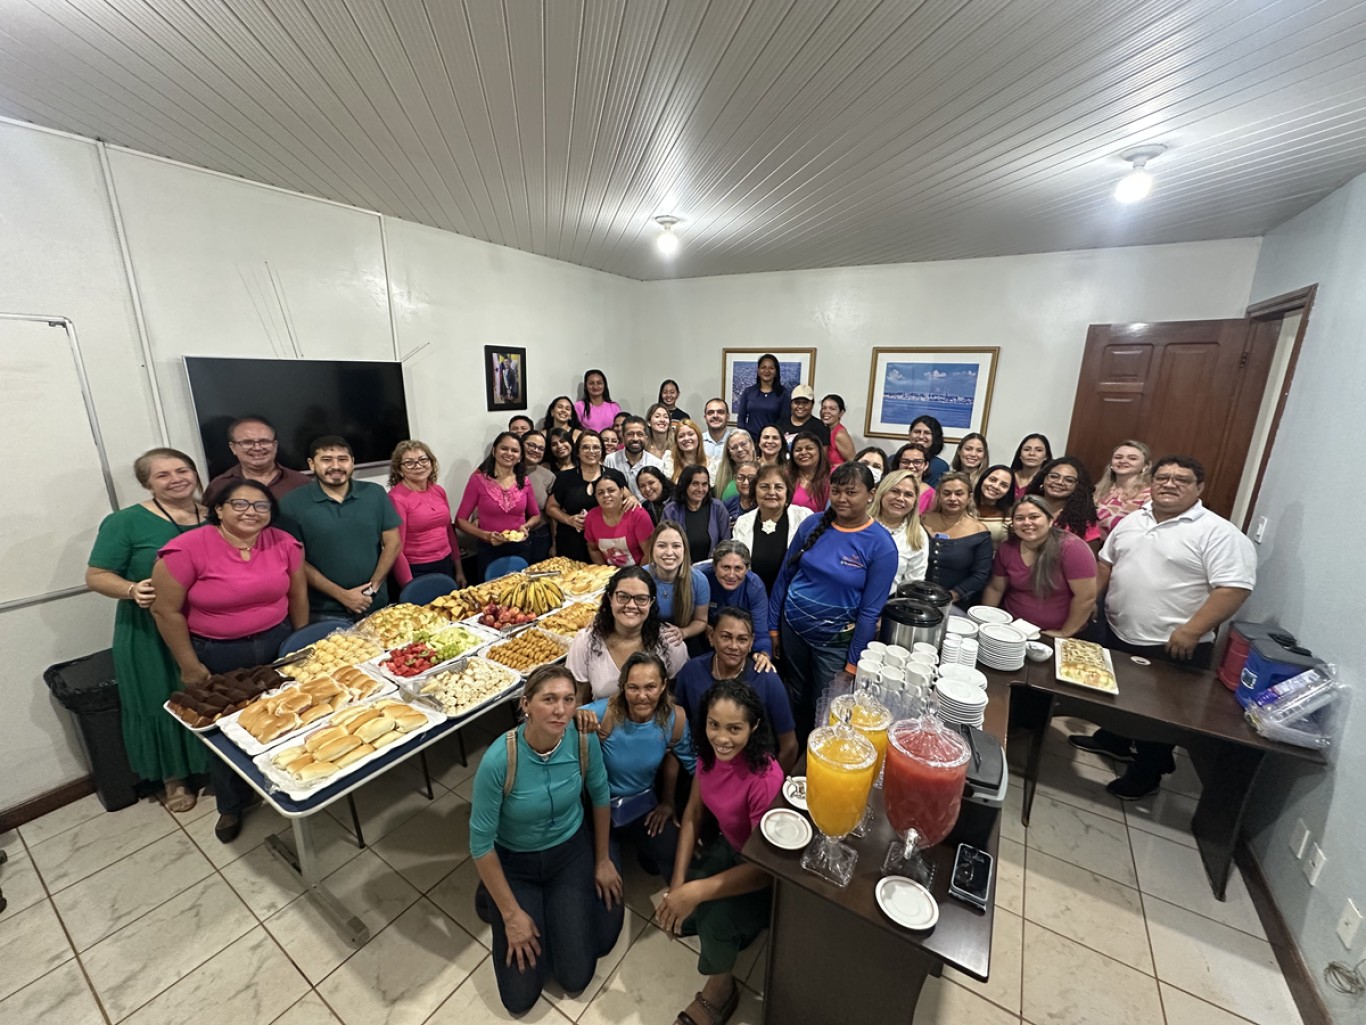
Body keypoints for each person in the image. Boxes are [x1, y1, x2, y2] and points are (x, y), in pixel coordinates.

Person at [1070, 456, 1257, 800]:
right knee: (1114, 693)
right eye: (1163, 477)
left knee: (1161, 714)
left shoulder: (1218, 533)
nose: (1170, 484)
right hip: (1119, 628)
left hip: (1172, 641)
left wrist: (1191, 630)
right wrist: (1088, 606)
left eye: (1182, 479)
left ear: (1199, 488)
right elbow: (1105, 566)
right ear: (1151, 483)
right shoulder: (1131, 521)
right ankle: (1113, 740)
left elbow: (1234, 588)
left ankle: (1148, 773)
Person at [150, 480, 308, 842]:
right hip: (218, 652)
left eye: (261, 506)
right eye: (240, 504)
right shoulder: (186, 548)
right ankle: (231, 806)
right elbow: (165, 611)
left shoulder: (285, 543)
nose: (251, 512)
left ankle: (290, 783)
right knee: (227, 732)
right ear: (218, 509)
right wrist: (189, 665)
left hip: (277, 645)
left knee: (288, 717)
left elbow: (298, 595)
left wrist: (299, 643)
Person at [469, 665, 623, 1016]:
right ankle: (497, 898)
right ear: (525, 705)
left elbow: (600, 796)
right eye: (549, 699)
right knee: (519, 997)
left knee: (576, 976)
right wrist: (511, 915)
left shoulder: (583, 741)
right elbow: (480, 844)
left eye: (569, 700)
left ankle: (556, 914)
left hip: (569, 854)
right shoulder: (499, 760)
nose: (560, 710)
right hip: (516, 863)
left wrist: (602, 859)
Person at [87, 448, 211, 814]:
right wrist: (130, 589)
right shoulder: (125, 522)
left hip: (204, 622)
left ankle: (211, 764)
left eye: (182, 470)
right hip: (149, 628)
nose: (176, 479)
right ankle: (172, 778)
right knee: (163, 697)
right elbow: (96, 576)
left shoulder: (214, 515)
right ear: (147, 483)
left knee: (207, 693)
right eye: (163, 475)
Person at [656, 680, 783, 1025]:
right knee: (685, 892)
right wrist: (680, 884)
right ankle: (732, 927)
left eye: (734, 728)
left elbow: (767, 868)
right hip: (731, 847)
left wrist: (695, 891)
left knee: (712, 915)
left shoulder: (764, 777)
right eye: (714, 725)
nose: (722, 738)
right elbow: (694, 814)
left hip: (764, 870)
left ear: (753, 727)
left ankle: (721, 990)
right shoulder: (709, 755)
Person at [769, 463, 897, 742]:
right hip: (793, 630)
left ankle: (813, 755)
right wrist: (773, 629)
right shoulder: (812, 524)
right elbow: (784, 577)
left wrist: (852, 666)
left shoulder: (881, 545)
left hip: (835, 644)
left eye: (851, 492)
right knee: (794, 692)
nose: (842, 499)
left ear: (871, 494)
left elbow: (869, 613)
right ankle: (791, 746)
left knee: (825, 707)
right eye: (837, 491)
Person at [576, 652, 694, 882]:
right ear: (622, 688)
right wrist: (576, 718)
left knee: (679, 855)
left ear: (663, 686)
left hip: (644, 807)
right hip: (599, 812)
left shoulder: (675, 720)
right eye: (633, 688)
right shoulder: (603, 713)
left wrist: (672, 804)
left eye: (650, 687)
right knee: (607, 891)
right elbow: (560, 717)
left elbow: (695, 766)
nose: (642, 696)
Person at [279, 436, 402, 620]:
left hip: (376, 604)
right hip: (326, 612)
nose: (336, 466)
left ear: (352, 462)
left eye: (342, 459)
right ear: (312, 464)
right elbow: (295, 561)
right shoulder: (291, 503)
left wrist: (372, 589)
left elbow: (393, 542)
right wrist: (343, 596)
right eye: (326, 460)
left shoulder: (374, 493)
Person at [674, 609, 797, 770]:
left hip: (753, 773)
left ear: (751, 642)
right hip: (703, 768)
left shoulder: (768, 680)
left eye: (742, 639)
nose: (733, 646)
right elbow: (678, 721)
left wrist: (772, 787)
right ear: (711, 636)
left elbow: (789, 745)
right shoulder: (691, 671)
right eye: (726, 637)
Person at [565, 567, 688, 701]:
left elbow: (676, 696)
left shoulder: (670, 642)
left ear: (651, 602)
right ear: (610, 598)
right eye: (623, 597)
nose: (631, 605)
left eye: (640, 599)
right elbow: (578, 700)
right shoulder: (586, 641)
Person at [982, 495, 1097, 636]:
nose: (1027, 522)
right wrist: (984, 622)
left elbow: (1086, 597)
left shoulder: (1072, 548)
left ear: (1050, 520)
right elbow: (995, 588)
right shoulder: (1007, 548)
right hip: (1012, 628)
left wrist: (1065, 632)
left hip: (1054, 633)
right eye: (1019, 518)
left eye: (1034, 517)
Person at [454, 432, 542, 581]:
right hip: (489, 549)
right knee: (490, 597)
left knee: (520, 594)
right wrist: (485, 535)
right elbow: (460, 520)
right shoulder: (478, 480)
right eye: (504, 448)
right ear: (494, 451)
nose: (509, 453)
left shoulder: (524, 481)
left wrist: (526, 526)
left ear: (520, 456)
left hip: (520, 548)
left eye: (514, 451)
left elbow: (536, 515)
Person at [387, 440, 465, 589]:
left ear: (431, 462)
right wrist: (409, 587)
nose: (418, 466)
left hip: (446, 563)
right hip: (418, 569)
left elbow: (449, 531)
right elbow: (397, 549)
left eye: (423, 460)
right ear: (399, 469)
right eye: (409, 463)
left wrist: (459, 570)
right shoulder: (396, 498)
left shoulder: (438, 491)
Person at [733, 465, 813, 592]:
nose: (771, 492)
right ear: (754, 490)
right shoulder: (743, 522)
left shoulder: (804, 517)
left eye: (778, 487)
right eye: (764, 487)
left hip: (792, 595)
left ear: (787, 491)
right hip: (753, 596)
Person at [921, 472, 994, 609]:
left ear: (969, 497)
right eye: (947, 493)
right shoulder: (923, 520)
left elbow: (981, 574)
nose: (952, 498)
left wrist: (952, 596)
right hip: (916, 596)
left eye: (959, 493)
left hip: (955, 604)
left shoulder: (979, 531)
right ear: (938, 496)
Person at [204, 416, 310, 504]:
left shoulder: (302, 483)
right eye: (247, 442)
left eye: (264, 441)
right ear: (233, 448)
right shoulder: (219, 486)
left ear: (275, 445)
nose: (257, 448)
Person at [701, 541, 772, 656]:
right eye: (725, 567)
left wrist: (763, 654)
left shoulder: (755, 587)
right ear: (714, 566)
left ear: (747, 569)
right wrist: (703, 625)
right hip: (704, 641)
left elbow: (761, 633)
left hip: (738, 645)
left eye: (738, 568)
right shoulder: (700, 578)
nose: (731, 575)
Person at [645, 520, 711, 645]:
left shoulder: (699, 580)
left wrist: (683, 632)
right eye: (662, 546)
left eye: (676, 546)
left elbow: (701, 621)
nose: (669, 552)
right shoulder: (640, 578)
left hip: (684, 640)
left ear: (684, 550)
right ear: (652, 549)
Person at [546, 431, 605, 564]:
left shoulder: (614, 476)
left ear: (602, 451)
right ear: (577, 452)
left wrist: (632, 498)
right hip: (571, 541)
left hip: (604, 542)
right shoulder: (564, 477)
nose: (591, 451)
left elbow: (628, 499)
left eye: (596, 447)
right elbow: (551, 508)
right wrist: (569, 519)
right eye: (585, 447)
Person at [871, 469, 928, 594]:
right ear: (882, 493)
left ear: (914, 501)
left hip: (890, 605)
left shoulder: (919, 535)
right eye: (895, 491)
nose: (900, 498)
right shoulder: (860, 522)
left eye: (908, 495)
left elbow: (914, 584)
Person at [583, 468, 654, 566]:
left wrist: (636, 577)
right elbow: (593, 549)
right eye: (600, 492)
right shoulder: (591, 518)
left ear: (621, 492)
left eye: (611, 490)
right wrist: (604, 573)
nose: (606, 495)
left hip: (639, 571)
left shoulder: (638, 514)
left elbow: (649, 553)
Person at [1027, 456, 1102, 550]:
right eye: (1054, 476)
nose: (1060, 482)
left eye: (1069, 480)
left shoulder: (1084, 523)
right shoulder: (1025, 508)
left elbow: (1088, 562)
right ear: (1043, 479)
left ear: (1077, 487)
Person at [663, 465, 731, 562]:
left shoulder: (718, 508)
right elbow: (666, 544)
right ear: (685, 485)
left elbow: (726, 542)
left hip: (712, 568)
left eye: (704, 484)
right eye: (695, 484)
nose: (700, 489)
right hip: (680, 567)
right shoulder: (671, 511)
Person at [1093, 440, 1152, 539]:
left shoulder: (1149, 496)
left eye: (1132, 458)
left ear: (1145, 466)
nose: (1123, 461)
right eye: (1118, 457)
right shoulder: (1098, 491)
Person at [604, 415, 666, 498]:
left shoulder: (657, 464)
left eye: (640, 434)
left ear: (646, 438)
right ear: (623, 436)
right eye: (630, 434)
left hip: (647, 509)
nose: (635, 438)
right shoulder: (610, 460)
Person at [519, 431, 556, 564]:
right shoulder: (505, 471)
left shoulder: (548, 476)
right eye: (531, 445)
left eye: (540, 448)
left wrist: (554, 543)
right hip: (510, 535)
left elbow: (552, 513)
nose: (535, 450)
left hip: (540, 535)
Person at [735, 352, 788, 439]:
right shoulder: (748, 392)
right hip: (751, 440)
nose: (767, 371)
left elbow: (784, 421)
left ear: (776, 372)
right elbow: (741, 418)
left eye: (771, 368)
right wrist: (743, 437)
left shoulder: (783, 393)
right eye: (763, 367)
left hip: (771, 441)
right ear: (758, 371)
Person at [778, 384, 830, 452]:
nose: (800, 406)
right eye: (797, 403)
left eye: (805, 403)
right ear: (791, 404)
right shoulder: (780, 424)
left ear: (812, 404)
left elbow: (823, 456)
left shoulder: (820, 427)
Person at [973, 464, 1015, 548]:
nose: (996, 486)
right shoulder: (964, 505)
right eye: (993, 480)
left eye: (1003, 485)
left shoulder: (1011, 513)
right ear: (983, 479)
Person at [789, 431, 831, 513]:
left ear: (819, 451)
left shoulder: (831, 477)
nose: (803, 452)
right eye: (798, 450)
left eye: (809, 448)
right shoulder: (785, 477)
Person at [890, 443, 937, 514]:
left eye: (917, 462)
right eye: (905, 461)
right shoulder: (887, 487)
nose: (911, 466)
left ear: (926, 465)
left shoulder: (932, 495)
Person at [713, 429, 757, 502]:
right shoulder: (721, 476)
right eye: (734, 447)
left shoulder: (764, 471)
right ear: (729, 453)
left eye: (743, 444)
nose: (739, 449)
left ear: (752, 445)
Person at [575, 368, 621, 433]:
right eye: (591, 383)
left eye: (599, 383)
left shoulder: (614, 407)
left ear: (604, 385)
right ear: (586, 386)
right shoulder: (579, 406)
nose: (595, 386)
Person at [907, 416, 949, 485]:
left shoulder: (940, 466)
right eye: (917, 432)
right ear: (909, 434)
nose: (921, 436)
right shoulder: (893, 459)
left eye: (927, 433)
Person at [1010, 433, 1053, 498]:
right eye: (1027, 449)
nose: (1032, 453)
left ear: (1046, 456)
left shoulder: (1047, 482)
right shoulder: (1008, 476)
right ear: (1020, 455)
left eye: (1039, 450)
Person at [700, 398, 734, 476]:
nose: (715, 416)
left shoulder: (735, 443)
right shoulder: (697, 442)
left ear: (727, 417)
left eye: (720, 412)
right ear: (705, 417)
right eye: (710, 412)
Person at [820, 394, 856, 466]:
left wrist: (833, 466)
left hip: (837, 476)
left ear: (841, 413)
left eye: (832, 409)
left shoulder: (840, 435)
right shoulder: (823, 430)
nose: (826, 411)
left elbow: (853, 463)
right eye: (824, 408)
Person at [669, 418, 707, 483]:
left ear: (698, 437)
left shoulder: (712, 465)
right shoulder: (670, 462)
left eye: (690, 434)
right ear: (676, 442)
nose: (686, 438)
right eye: (681, 436)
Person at [644, 403, 675, 475]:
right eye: (657, 416)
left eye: (666, 417)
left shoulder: (676, 447)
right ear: (649, 422)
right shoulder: (643, 448)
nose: (662, 420)